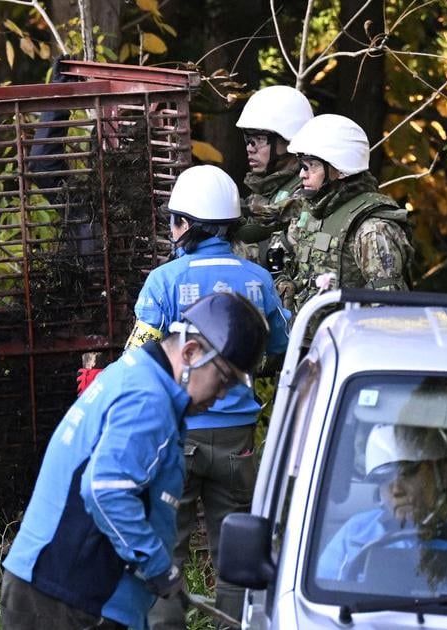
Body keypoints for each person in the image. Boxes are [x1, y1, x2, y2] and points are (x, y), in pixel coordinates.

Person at [1, 292, 270, 630]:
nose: (222, 395)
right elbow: (106, 491)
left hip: (60, 589)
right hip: (69, 598)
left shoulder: (138, 374)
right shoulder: (149, 400)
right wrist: (158, 567)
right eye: (224, 379)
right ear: (191, 353)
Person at [133, 165, 290, 629]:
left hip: (176, 433)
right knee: (235, 546)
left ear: (186, 225)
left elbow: (139, 357)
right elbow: (280, 346)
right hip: (237, 435)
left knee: (166, 542)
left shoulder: (162, 281)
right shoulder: (259, 280)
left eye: (174, 219)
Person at [317, 425, 447, 582]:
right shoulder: (355, 533)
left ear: (443, 472)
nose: (396, 489)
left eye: (408, 473)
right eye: (384, 479)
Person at [278, 114, 414, 313]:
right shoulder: (313, 212)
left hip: (346, 341)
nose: (302, 174)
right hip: (305, 338)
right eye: (303, 165)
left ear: (341, 170)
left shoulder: (372, 229)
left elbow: (387, 311)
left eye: (312, 165)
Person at [232, 85, 312, 268]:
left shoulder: (306, 187)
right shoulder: (265, 188)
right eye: (248, 139)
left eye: (260, 139)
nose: (250, 148)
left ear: (289, 141)